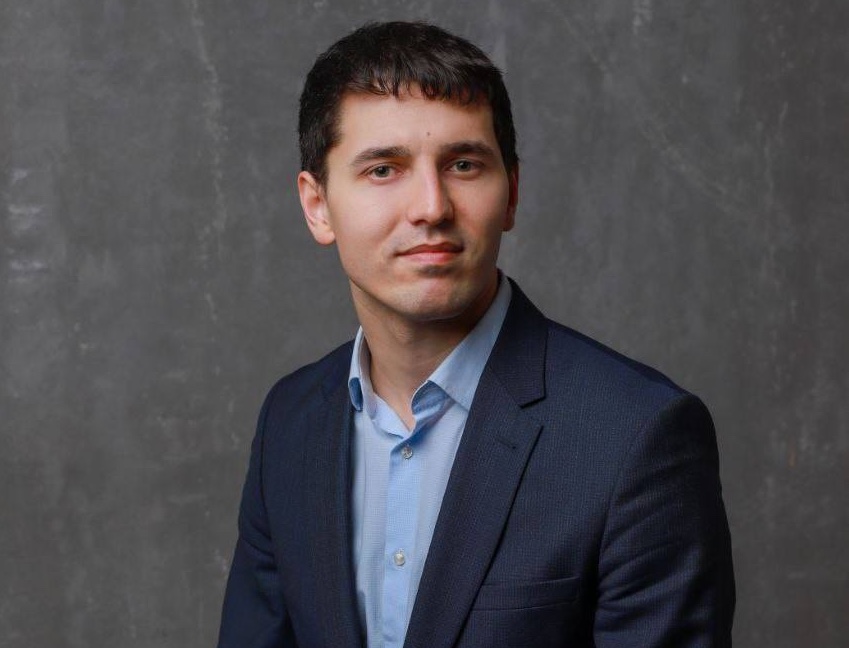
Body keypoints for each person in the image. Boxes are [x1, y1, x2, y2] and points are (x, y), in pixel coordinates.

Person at [217, 20, 735, 648]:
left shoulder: (636, 436)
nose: (431, 207)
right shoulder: (290, 422)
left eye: (463, 164)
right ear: (317, 205)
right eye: (383, 169)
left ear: (511, 193)